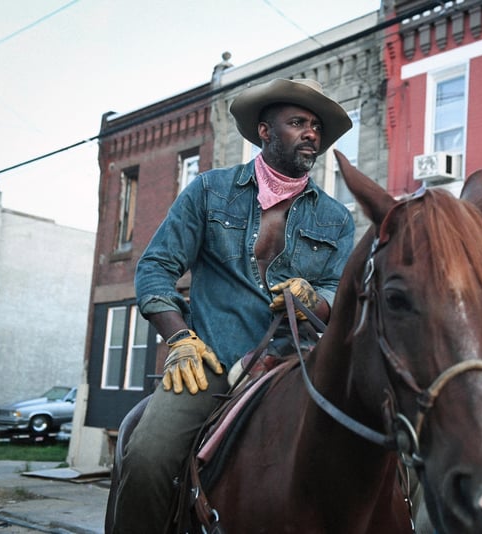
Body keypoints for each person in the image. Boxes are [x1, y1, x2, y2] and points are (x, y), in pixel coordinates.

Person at [110, 78, 355, 533]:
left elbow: (341, 293)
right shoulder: (208, 191)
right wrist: (179, 339)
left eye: (317, 127)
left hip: (296, 368)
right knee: (146, 456)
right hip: (211, 363)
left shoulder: (337, 219)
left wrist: (314, 299)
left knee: (391, 457)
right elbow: (156, 268)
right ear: (264, 131)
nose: (311, 134)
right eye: (298, 122)